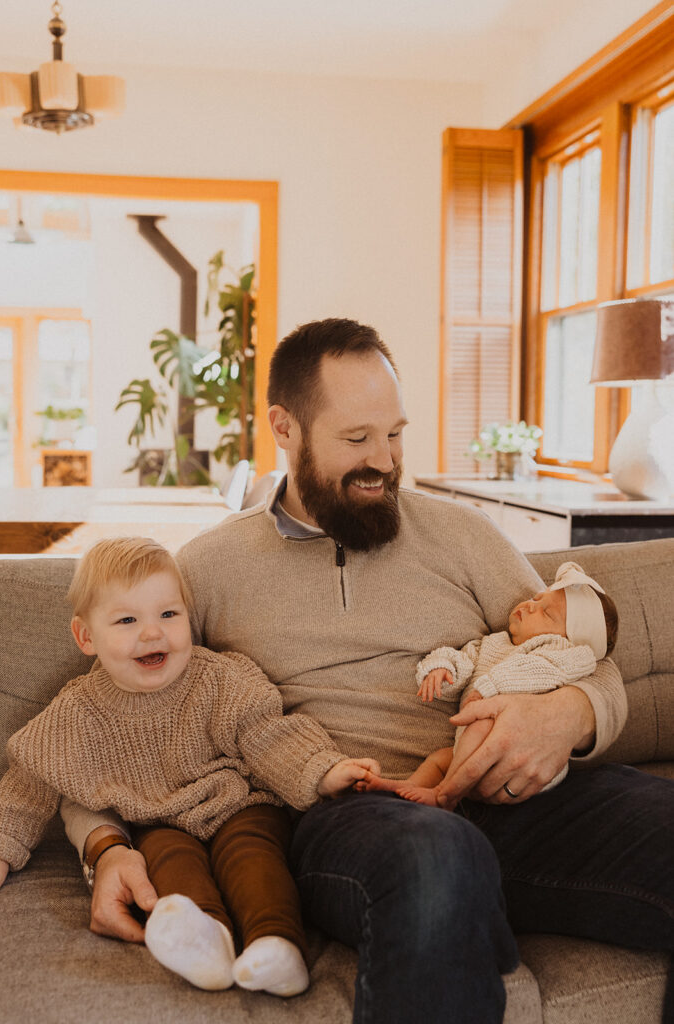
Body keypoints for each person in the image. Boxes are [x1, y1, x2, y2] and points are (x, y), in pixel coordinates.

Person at [60, 319, 674, 1024]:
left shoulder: (463, 536)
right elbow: (98, 719)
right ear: (284, 429)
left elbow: (582, 660)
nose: (383, 460)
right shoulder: (206, 572)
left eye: (395, 434)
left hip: (518, 798)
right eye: (356, 439)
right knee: (437, 860)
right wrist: (103, 847)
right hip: (352, 818)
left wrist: (569, 715)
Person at [0, 536, 379, 996]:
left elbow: (269, 733)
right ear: (86, 637)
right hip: (158, 823)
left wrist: (323, 770)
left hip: (240, 805)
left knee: (252, 854)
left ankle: (277, 945)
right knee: (168, 862)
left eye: (168, 615)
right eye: (128, 619)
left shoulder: (218, 678)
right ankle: (205, 942)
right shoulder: (78, 710)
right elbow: (31, 778)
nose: (153, 633)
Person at [359, 561, 619, 807]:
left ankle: (444, 794)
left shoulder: (561, 651)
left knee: (481, 723)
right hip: (473, 749)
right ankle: (410, 788)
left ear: (571, 637)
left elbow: (533, 672)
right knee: (439, 759)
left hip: (525, 762)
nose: (530, 605)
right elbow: (465, 657)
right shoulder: (495, 643)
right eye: (537, 598)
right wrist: (442, 669)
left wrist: (487, 688)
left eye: (546, 613)